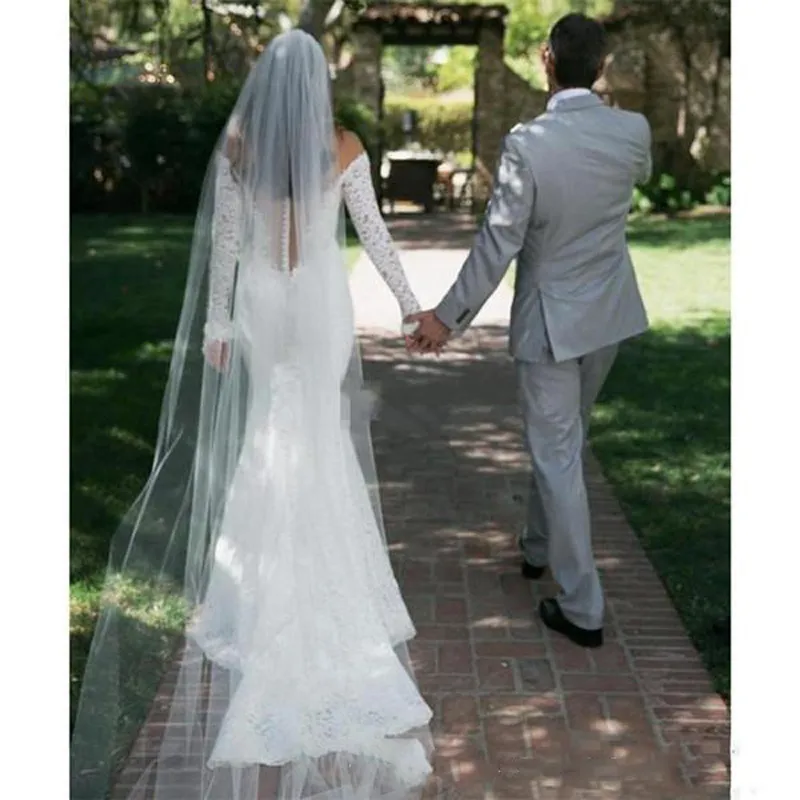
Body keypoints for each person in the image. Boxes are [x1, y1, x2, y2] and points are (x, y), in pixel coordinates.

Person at [71, 29, 433, 800]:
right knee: (319, 434)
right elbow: (374, 235)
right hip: (320, 307)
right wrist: (410, 306)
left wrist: (215, 325)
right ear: (318, 81)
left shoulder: (240, 148)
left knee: (275, 424)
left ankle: (265, 568)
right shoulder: (343, 145)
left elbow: (228, 246)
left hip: (266, 301)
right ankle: (320, 566)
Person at [408, 13, 652, 649]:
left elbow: (499, 242)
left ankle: (583, 608)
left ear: (547, 59)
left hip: (550, 323)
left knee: (559, 453)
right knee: (565, 446)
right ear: (601, 66)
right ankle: (537, 546)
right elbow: (640, 178)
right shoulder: (633, 131)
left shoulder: (528, 143)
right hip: (609, 317)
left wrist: (446, 318)